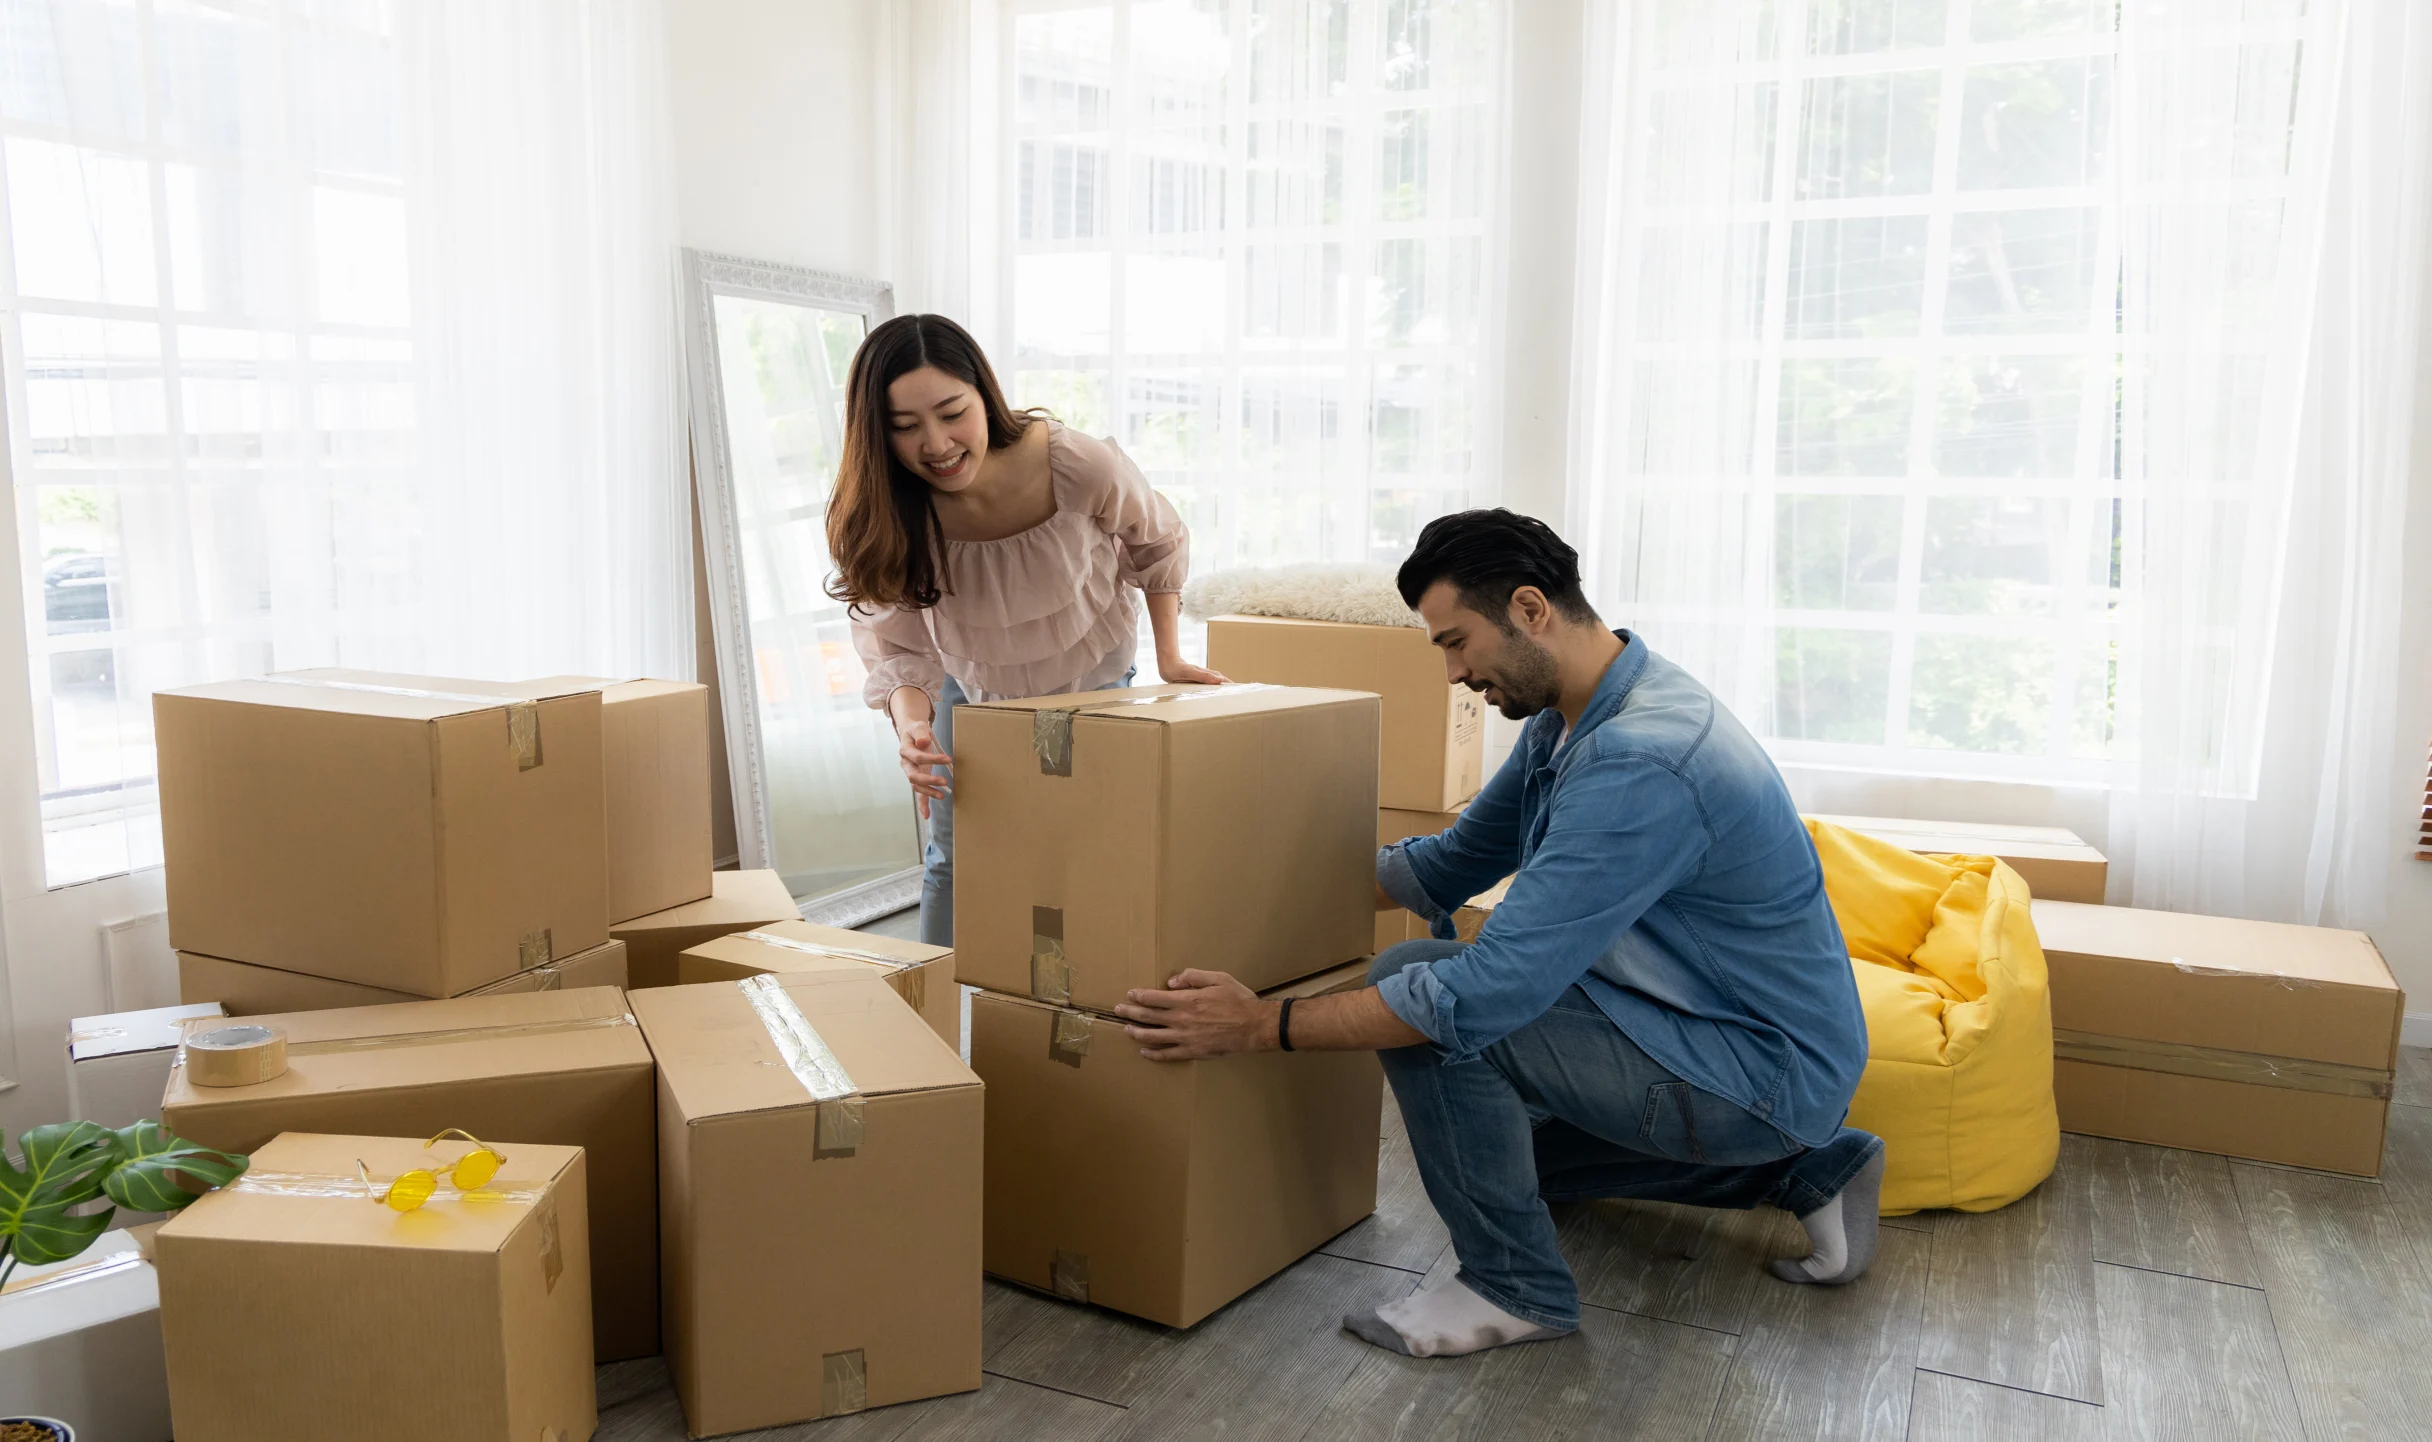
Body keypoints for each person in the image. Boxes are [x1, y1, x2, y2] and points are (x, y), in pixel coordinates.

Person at [1110, 508, 1880, 1359]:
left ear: (1529, 608)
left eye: (1455, 642)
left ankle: (1512, 1288)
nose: (1450, 673)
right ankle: (1812, 1169)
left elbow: (1483, 995)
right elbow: (1452, 861)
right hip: (1720, 1031)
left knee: (1420, 986)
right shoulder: (1580, 709)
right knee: (1509, 1167)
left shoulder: (1641, 760)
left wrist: (1259, 1025)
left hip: (1758, 1067)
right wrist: (1219, 895)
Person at [829, 314, 1223, 945]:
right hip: (974, 687)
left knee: (1083, 852)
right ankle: (927, 1022)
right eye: (905, 428)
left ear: (985, 395)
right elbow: (898, 646)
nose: (935, 444)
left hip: (1093, 685)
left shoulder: (1073, 464)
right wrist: (912, 729)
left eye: (952, 412)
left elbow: (1157, 539)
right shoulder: (889, 508)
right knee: (953, 861)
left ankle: (1079, 1005)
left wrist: (1170, 656)